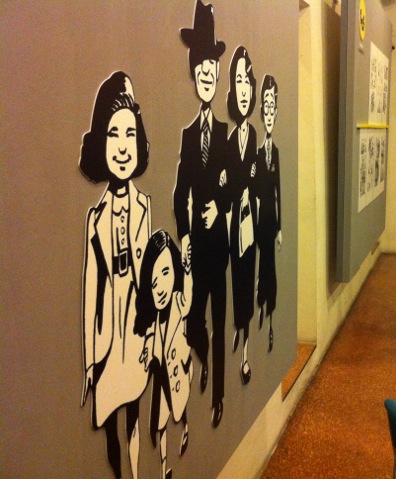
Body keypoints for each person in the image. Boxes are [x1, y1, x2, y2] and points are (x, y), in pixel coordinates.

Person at [79, 71, 150, 479]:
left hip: (135, 331)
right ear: (101, 144)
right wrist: (91, 359)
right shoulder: (96, 218)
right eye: (113, 134)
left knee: (135, 413)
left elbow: (149, 280)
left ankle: (136, 472)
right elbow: (91, 291)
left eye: (129, 134)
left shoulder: (144, 207)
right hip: (109, 338)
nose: (122, 146)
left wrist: (152, 336)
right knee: (109, 422)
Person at [174, 0, 230, 428]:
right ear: (194, 74)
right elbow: (180, 193)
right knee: (194, 319)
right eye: (202, 68)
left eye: (213, 66)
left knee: (219, 316)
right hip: (196, 246)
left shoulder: (225, 133)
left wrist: (219, 205)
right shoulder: (189, 135)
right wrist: (185, 237)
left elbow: (234, 186)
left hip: (220, 246)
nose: (207, 73)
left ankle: (219, 398)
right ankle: (204, 355)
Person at [135, 230, 193, 479]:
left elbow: (188, 298)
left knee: (179, 407)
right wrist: (147, 354)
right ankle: (163, 468)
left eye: (166, 272)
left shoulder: (178, 302)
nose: (159, 288)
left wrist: (188, 271)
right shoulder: (153, 321)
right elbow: (150, 344)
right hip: (161, 377)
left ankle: (186, 428)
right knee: (160, 425)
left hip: (178, 371)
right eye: (154, 281)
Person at [227, 45, 258, 385]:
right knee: (236, 282)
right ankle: (239, 327)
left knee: (247, 282)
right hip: (232, 226)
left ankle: (246, 346)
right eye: (239, 82)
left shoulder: (254, 139)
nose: (244, 89)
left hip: (249, 224)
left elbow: (256, 181)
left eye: (247, 81)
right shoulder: (230, 138)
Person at [255, 75, 282, 353]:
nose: (270, 113)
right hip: (257, 223)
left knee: (270, 268)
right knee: (261, 268)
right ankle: (261, 304)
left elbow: (279, 192)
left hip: (271, 223)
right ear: (262, 112)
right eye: (267, 107)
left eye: (274, 107)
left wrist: (281, 227)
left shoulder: (275, 152)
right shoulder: (257, 152)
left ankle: (270, 316)